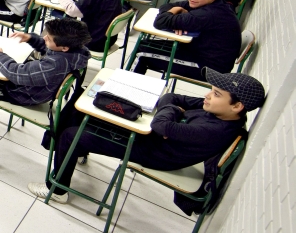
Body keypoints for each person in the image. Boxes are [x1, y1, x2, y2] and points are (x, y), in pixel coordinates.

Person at [27, 68, 265, 203]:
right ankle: (69, 154)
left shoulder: (213, 130)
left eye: (216, 94)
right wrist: (172, 113)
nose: (207, 96)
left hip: (152, 152)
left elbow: (163, 123)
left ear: (237, 107)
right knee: (83, 111)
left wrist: (169, 116)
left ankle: (57, 190)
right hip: (153, 138)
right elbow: (171, 98)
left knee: (71, 134)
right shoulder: (216, 111)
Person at [130, 0, 241, 80]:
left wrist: (175, 12)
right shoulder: (208, 3)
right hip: (197, 51)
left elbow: (159, 22)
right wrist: (177, 10)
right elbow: (166, 6)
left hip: (210, 68)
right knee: (144, 44)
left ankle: (121, 92)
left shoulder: (209, 13)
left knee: (141, 53)